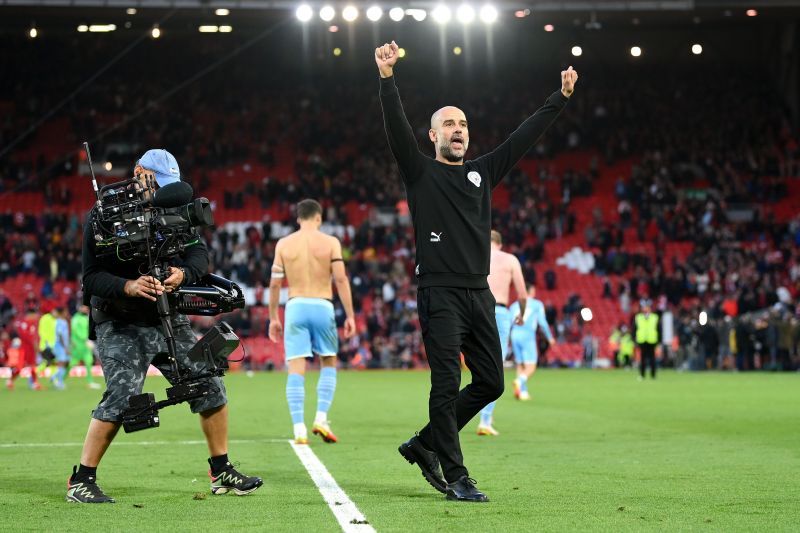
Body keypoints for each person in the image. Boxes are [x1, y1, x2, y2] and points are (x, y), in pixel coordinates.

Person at [376, 40, 577, 502]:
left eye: (463, 123)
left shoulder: (483, 173)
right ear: (433, 136)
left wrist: (559, 99)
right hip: (439, 292)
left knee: (491, 382)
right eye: (449, 124)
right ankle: (456, 474)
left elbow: (523, 138)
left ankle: (425, 443)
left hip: (479, 294)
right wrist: (387, 80)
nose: (458, 129)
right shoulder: (420, 173)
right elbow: (396, 130)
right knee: (445, 384)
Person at [68, 149, 262, 504]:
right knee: (122, 396)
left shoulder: (171, 209)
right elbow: (90, 277)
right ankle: (81, 480)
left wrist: (182, 274)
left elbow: (198, 255)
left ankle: (221, 472)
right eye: (158, 181)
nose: (163, 190)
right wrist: (129, 286)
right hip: (120, 319)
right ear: (140, 172)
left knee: (209, 384)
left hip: (166, 316)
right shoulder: (103, 215)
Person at [268, 199, 356, 445]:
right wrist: (350, 315)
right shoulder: (330, 243)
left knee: (296, 367)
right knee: (328, 361)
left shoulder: (284, 244)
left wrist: (273, 317)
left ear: (298, 218)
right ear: (319, 218)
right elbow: (341, 280)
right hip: (322, 305)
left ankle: (299, 429)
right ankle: (320, 417)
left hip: (295, 306)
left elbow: (275, 284)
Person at [476, 230, 526, 436]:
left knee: (476, 365)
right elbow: (522, 294)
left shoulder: (475, 255)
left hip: (475, 310)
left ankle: (468, 411)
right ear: (500, 243)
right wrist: (521, 314)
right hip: (499, 311)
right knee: (495, 368)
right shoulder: (510, 259)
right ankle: (485, 420)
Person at [509, 286, 554, 400]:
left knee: (520, 364)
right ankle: (519, 382)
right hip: (527, 335)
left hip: (514, 334)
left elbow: (510, 322)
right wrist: (549, 337)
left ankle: (522, 392)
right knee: (531, 366)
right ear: (531, 292)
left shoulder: (514, 305)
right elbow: (542, 322)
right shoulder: (536, 304)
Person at [70, 304, 100, 389]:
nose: (86, 309)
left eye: (87, 307)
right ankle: (59, 378)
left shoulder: (85, 317)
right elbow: (75, 331)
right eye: (85, 307)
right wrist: (85, 340)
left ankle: (90, 382)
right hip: (78, 344)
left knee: (88, 361)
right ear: (80, 308)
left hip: (85, 344)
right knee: (72, 363)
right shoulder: (76, 318)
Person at [634, 299, 659, 379]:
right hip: (642, 340)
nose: (645, 309)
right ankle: (642, 375)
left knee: (652, 359)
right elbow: (634, 329)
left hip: (652, 340)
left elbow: (659, 329)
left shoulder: (655, 317)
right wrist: (634, 339)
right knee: (642, 359)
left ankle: (653, 375)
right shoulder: (638, 317)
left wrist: (659, 341)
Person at [50, 305, 70, 390]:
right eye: (65, 312)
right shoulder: (58, 322)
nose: (66, 313)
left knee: (65, 363)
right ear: (61, 313)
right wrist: (65, 347)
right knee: (62, 363)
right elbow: (60, 335)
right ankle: (59, 382)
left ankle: (54, 377)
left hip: (63, 345)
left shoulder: (64, 321)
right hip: (59, 345)